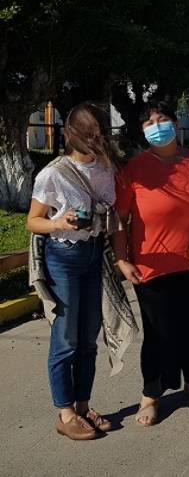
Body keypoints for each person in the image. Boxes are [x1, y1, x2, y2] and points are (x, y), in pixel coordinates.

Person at [112, 102, 189, 427]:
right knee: (159, 333)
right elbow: (120, 219)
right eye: (150, 123)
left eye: (162, 120)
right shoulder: (133, 169)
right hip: (151, 264)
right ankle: (151, 394)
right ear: (143, 132)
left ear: (175, 123)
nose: (157, 126)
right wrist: (121, 259)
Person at [26, 103, 120, 440]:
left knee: (89, 338)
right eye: (89, 132)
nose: (96, 138)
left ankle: (83, 406)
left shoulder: (107, 168)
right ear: (71, 135)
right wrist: (57, 222)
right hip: (63, 257)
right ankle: (65, 413)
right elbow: (32, 221)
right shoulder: (53, 173)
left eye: (100, 132)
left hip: (95, 255)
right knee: (65, 338)